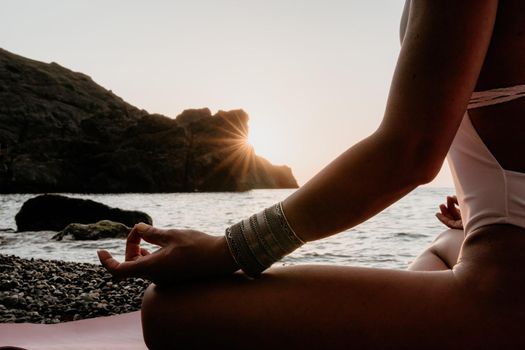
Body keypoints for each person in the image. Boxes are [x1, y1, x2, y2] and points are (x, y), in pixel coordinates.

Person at [98, 1, 525, 348]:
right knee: (445, 244)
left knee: (169, 311)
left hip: (505, 302)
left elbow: (408, 154)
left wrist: (226, 250)